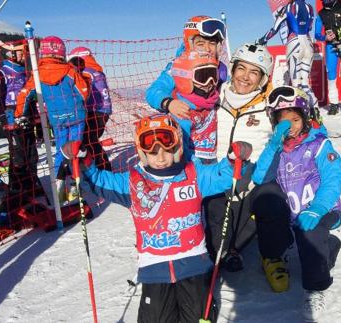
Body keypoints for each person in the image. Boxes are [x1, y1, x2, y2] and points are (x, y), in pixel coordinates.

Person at [74, 113, 252, 323]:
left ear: (177, 147)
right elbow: (96, 181)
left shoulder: (194, 175)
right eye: (152, 151)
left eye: (166, 149)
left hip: (193, 263)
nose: (160, 157)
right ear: (141, 151)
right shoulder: (132, 182)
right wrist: (82, 161)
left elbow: (223, 176)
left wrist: (235, 159)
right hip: (154, 268)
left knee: (199, 317)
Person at [252, 85, 341, 321]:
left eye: (295, 119)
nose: (290, 126)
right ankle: (289, 252)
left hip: (322, 209)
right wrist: (273, 146)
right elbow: (260, 178)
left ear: (305, 118)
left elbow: (334, 178)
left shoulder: (319, 144)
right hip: (293, 212)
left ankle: (315, 286)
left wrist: (317, 209)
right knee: (265, 197)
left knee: (311, 236)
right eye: (283, 121)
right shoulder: (277, 149)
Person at [205, 43, 276, 273]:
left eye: (254, 72)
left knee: (268, 200)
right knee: (215, 213)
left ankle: (272, 254)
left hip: (251, 180)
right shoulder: (213, 99)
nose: (245, 77)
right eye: (241, 69)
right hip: (218, 176)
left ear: (263, 79)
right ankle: (223, 251)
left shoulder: (269, 107)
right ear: (232, 69)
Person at [16, 36, 89, 204]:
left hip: (57, 120)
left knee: (60, 150)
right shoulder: (70, 71)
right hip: (77, 117)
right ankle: (75, 185)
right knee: (75, 149)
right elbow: (83, 91)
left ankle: (58, 186)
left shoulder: (37, 74)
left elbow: (24, 95)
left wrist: (20, 114)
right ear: (61, 52)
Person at [146, 15, 227, 120]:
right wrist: (168, 103)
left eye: (212, 43)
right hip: (185, 119)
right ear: (189, 44)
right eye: (201, 43)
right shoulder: (179, 67)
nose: (207, 49)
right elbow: (154, 90)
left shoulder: (221, 68)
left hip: (209, 122)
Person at [0, 40, 44, 206]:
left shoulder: (24, 72)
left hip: (27, 116)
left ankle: (30, 185)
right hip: (12, 116)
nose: (24, 56)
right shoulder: (2, 71)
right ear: (12, 53)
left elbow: (29, 96)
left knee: (32, 153)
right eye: (21, 53)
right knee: (18, 154)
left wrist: (36, 119)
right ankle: (17, 188)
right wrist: (5, 118)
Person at [257, 0, 318, 107]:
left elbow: (274, 29)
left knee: (296, 85)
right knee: (305, 84)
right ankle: (314, 111)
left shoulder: (288, 7)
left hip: (294, 43)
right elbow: (309, 27)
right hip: (308, 44)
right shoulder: (310, 8)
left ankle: (301, 113)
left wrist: (263, 40)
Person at [67, 47, 113, 171]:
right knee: (92, 141)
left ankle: (102, 168)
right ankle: (98, 167)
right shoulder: (96, 70)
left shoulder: (85, 72)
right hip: (103, 110)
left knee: (90, 141)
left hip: (94, 110)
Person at [170, 51, 220, 163]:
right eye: (202, 77)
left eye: (213, 75)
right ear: (185, 78)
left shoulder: (212, 99)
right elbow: (180, 146)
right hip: (195, 162)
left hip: (212, 157)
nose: (209, 82)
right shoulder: (182, 110)